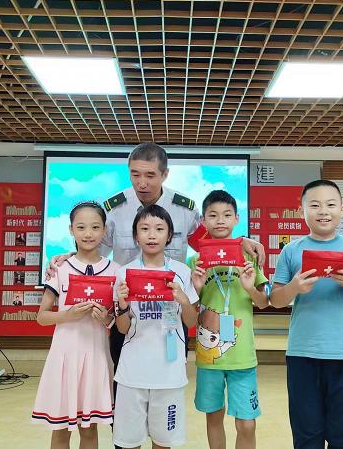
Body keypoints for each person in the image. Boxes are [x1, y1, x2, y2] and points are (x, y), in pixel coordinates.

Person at [46, 143, 265, 449]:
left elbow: (213, 239)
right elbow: (92, 245)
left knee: (166, 399)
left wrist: (241, 242)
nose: (142, 183)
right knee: (125, 397)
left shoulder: (184, 210)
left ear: (165, 174)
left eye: (150, 175)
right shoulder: (115, 209)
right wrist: (67, 256)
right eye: (135, 174)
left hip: (170, 321)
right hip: (127, 314)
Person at [270, 179, 343, 449]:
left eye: (331, 204)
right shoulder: (291, 250)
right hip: (303, 355)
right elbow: (275, 300)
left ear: (342, 209)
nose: (323, 211)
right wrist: (294, 287)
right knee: (306, 437)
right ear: (302, 211)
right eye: (315, 205)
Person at [32, 201, 119, 449]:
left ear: (104, 230)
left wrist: (106, 319)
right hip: (64, 358)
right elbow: (41, 316)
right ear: (71, 229)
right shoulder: (60, 269)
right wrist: (67, 315)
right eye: (81, 227)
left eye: (95, 227)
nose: (88, 234)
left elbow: (115, 319)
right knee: (60, 430)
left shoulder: (115, 270)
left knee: (90, 429)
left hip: (96, 356)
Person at [113, 204, 198, 449]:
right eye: (145, 229)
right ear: (135, 235)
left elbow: (191, 322)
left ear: (169, 235)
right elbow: (122, 328)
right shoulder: (125, 273)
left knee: (163, 443)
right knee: (129, 443)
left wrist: (184, 300)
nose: (152, 235)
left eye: (159, 229)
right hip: (132, 372)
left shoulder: (181, 272)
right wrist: (123, 306)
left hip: (169, 373)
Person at [190, 190, 269, 449]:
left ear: (236, 219)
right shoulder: (195, 261)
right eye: (213, 215)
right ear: (203, 221)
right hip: (209, 355)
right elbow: (189, 309)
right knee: (214, 417)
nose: (220, 220)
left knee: (247, 424)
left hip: (242, 355)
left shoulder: (249, 257)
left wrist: (249, 287)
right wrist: (196, 288)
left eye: (226, 215)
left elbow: (263, 302)